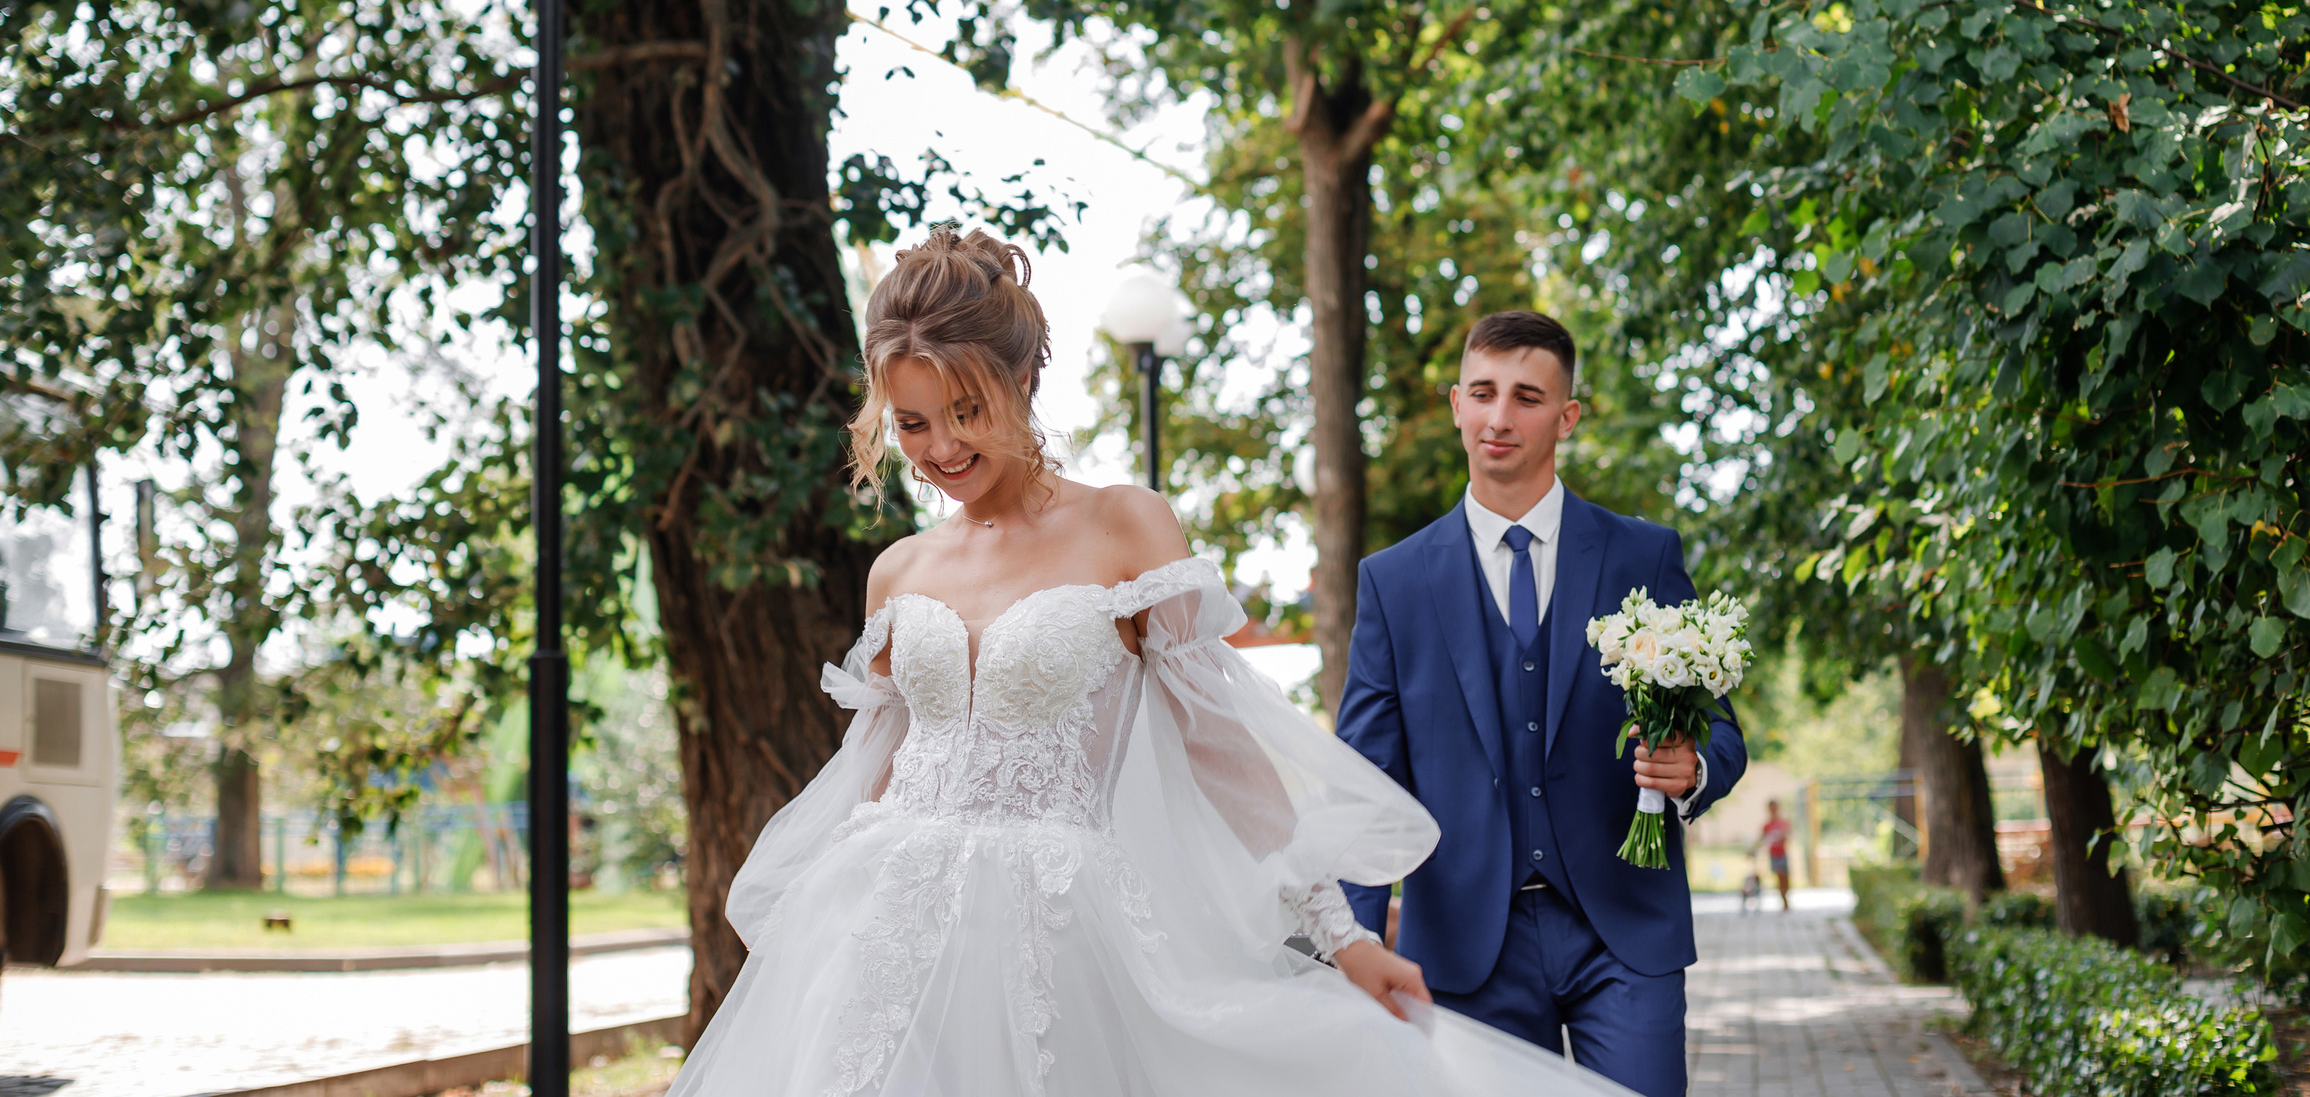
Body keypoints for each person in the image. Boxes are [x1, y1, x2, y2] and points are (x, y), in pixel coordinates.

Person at [671, 230, 1638, 1097]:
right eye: (912, 422)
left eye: (964, 410)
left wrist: (1340, 936)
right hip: (885, 930)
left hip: (1053, 933)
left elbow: (1219, 745)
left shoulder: (1123, 524)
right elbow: (873, 770)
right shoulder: (898, 570)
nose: (939, 448)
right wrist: (814, 916)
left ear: (1019, 385)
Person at [1334, 311, 1750, 1097]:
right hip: (1462, 945)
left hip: (1622, 933)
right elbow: (1365, 781)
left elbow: (1723, 733)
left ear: (1566, 417)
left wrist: (1692, 765)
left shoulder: (1642, 553)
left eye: (1526, 396)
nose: (1499, 417)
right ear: (1455, 403)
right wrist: (1354, 943)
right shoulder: (1394, 581)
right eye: (1483, 392)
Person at [1752, 799, 1793, 911]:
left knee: (1786, 879)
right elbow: (1761, 839)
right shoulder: (1767, 825)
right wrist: (1753, 849)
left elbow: (1788, 837)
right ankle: (1784, 901)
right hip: (1774, 855)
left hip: (1783, 853)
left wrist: (1784, 837)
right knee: (1779, 877)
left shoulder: (1783, 823)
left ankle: (1786, 898)